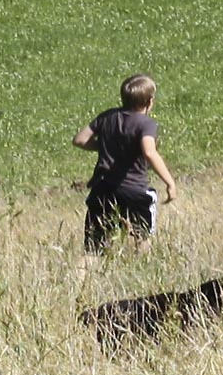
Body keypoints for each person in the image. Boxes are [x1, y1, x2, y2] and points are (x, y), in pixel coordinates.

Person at [73, 74, 177, 262]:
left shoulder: (107, 117)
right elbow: (149, 152)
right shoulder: (146, 124)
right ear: (150, 101)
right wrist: (170, 182)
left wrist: (106, 144)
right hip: (134, 190)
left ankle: (77, 281)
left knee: (94, 246)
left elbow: (79, 140)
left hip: (103, 189)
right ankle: (141, 268)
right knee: (141, 237)